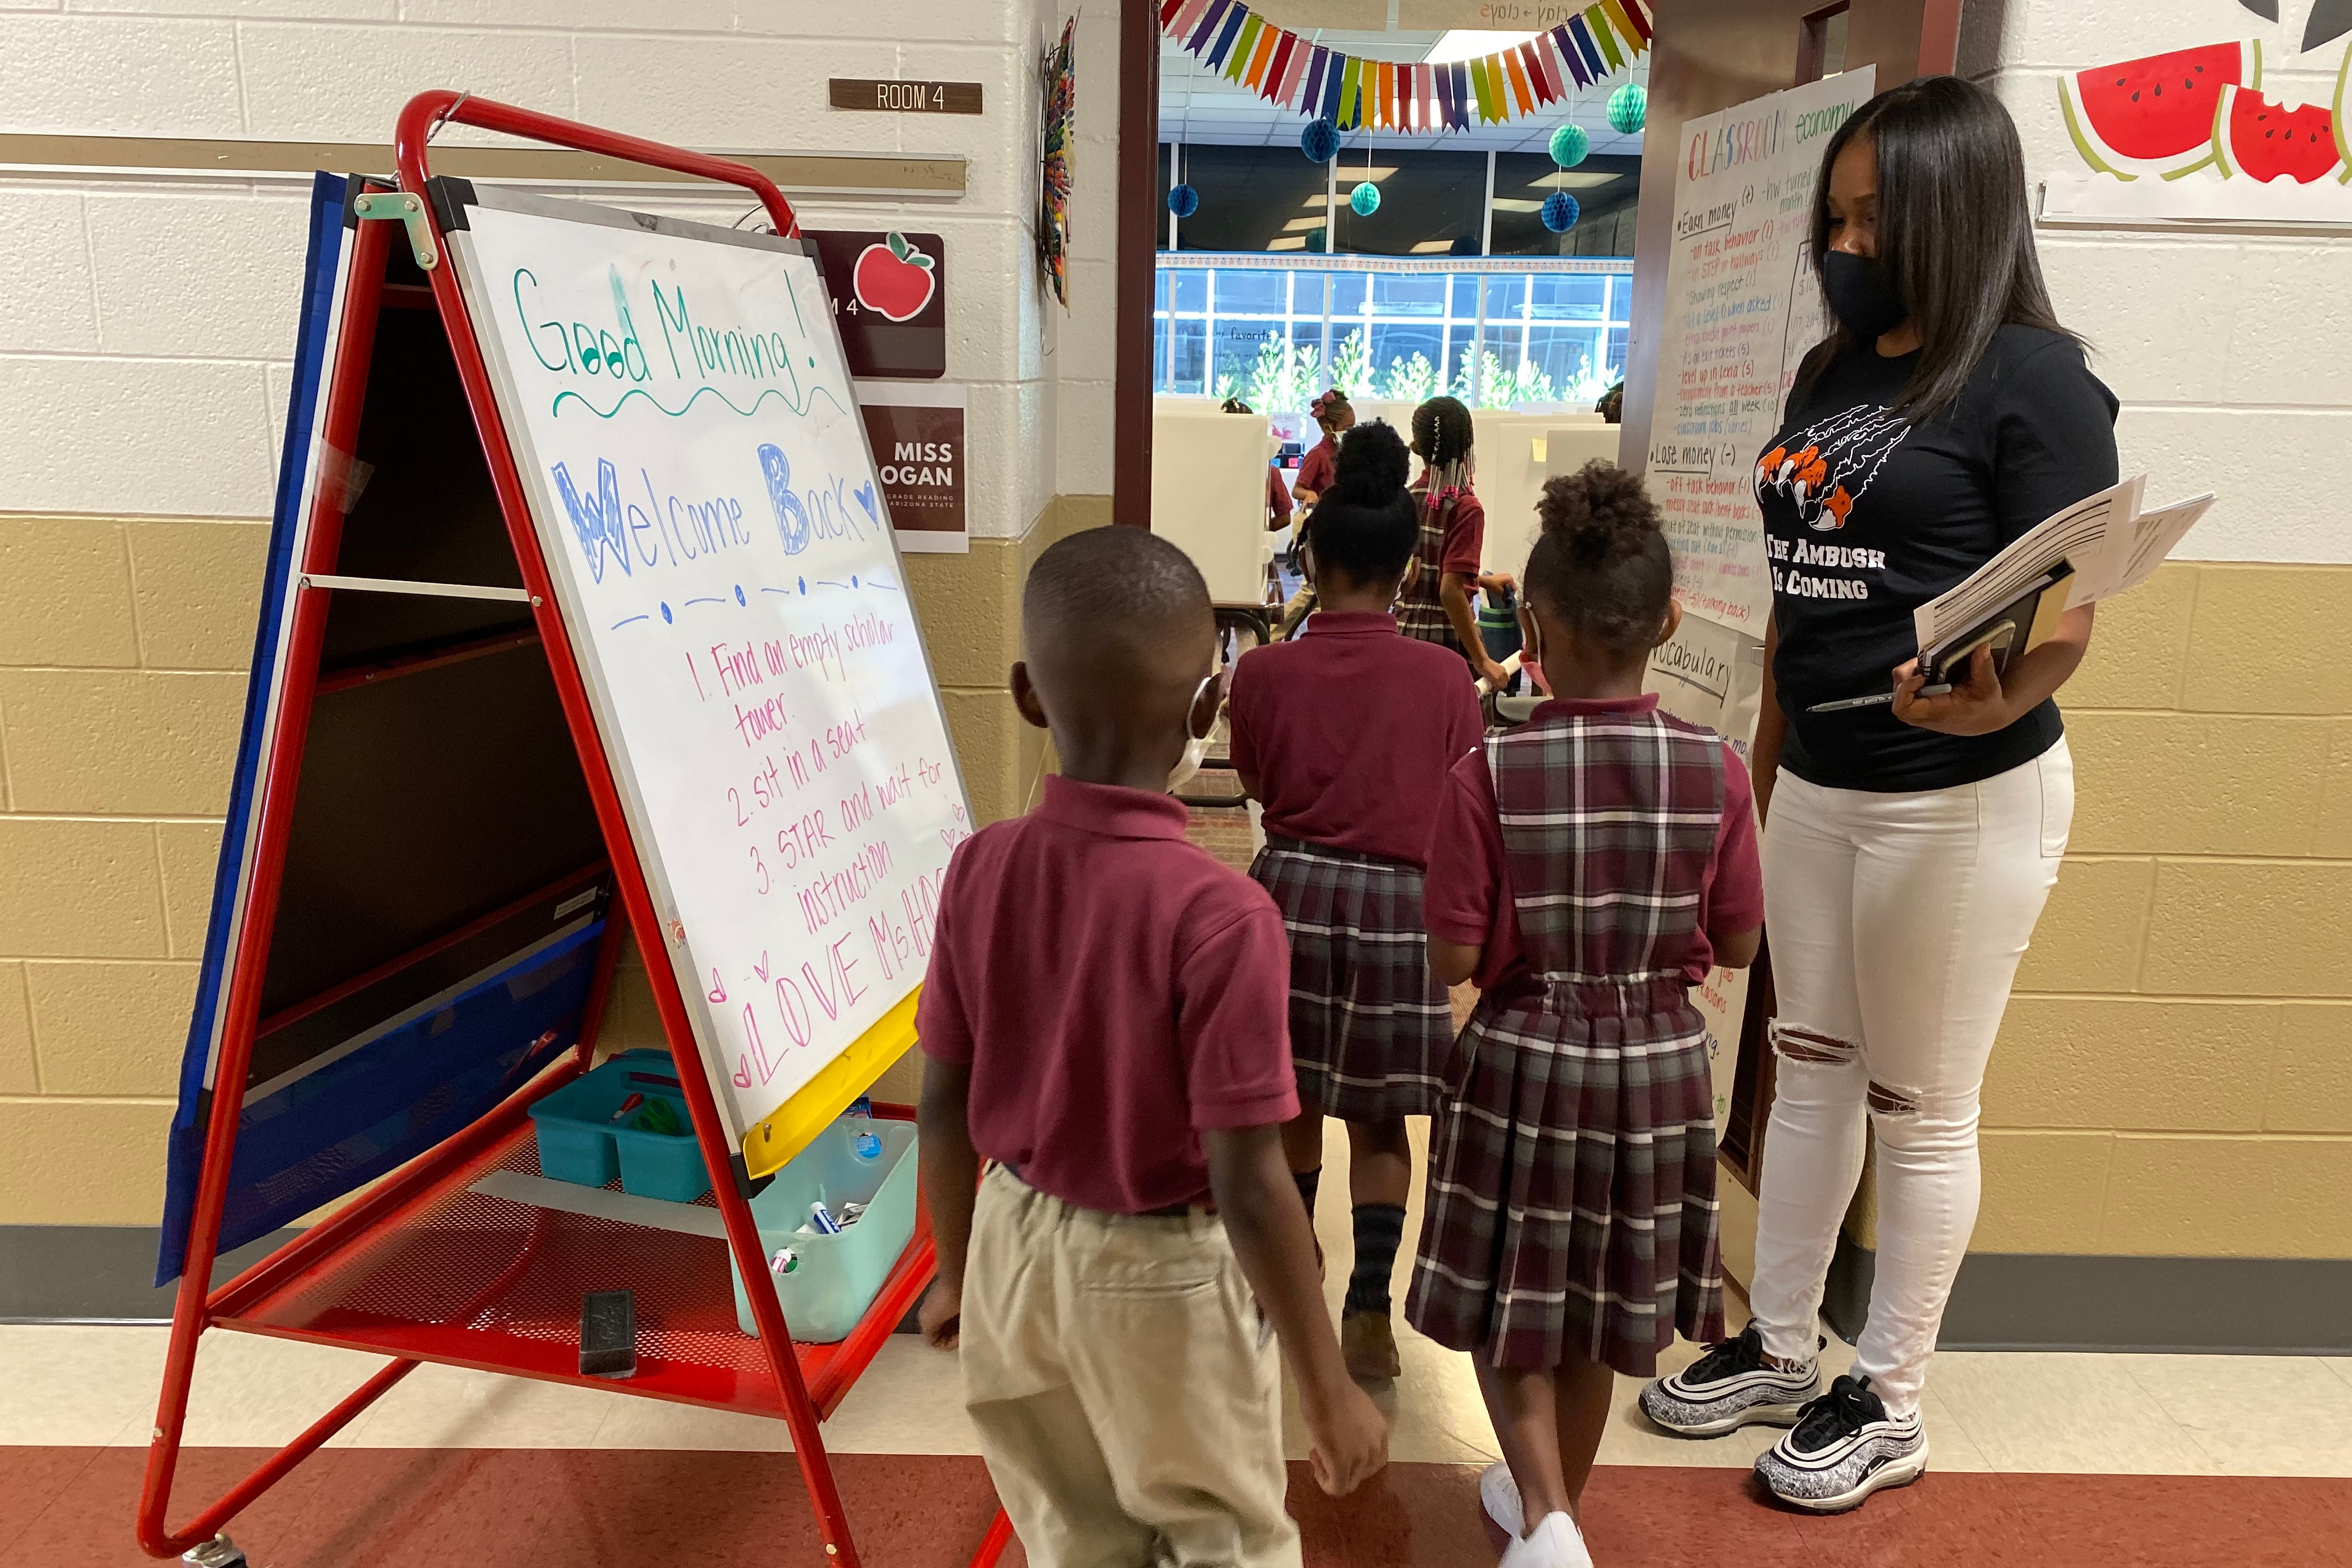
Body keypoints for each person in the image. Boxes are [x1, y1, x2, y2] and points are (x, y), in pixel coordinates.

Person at [1637, 76, 2112, 1514]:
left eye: (1871, 218)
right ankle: (1781, 1345)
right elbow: (1797, 597)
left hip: (1958, 797)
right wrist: (1770, 777)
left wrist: (2005, 690)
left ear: (1953, 217)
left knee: (1919, 1103)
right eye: (1832, 217)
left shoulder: (2036, 381)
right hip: (1823, 783)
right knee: (1811, 1064)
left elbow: (2077, 601)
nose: (1843, 243)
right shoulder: (1832, 373)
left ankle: (1891, 1398)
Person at [916, 526, 1387, 1567]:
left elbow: (943, 1101)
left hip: (1008, 1251)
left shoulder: (977, 868)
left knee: (1075, 1538)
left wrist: (954, 1268)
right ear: (1207, 711)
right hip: (1158, 1276)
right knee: (1222, 1537)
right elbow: (1250, 1177)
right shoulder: (1221, 915)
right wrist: (1324, 1382)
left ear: (1026, 694)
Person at [1409, 460, 1763, 1568]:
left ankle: (1546, 1515)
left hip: (1522, 1057)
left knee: (1509, 1291)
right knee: (1607, 1301)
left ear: (1537, 619)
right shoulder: (1720, 769)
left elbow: (1457, 953)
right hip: (1660, 1066)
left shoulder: (1489, 770)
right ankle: (1552, 1512)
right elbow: (1745, 942)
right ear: (1664, 619)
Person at [1226, 422, 1484, 1381]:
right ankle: (1369, 1311)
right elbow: (1459, 799)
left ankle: (1284, 1285)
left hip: (1288, 897)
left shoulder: (1262, 671)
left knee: (1287, 1105)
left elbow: (1251, 776)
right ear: (1404, 561)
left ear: (1313, 555)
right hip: (1398, 911)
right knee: (1380, 1122)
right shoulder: (1447, 676)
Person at [1396, 395, 1512, 688]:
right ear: (1467, 447)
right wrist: (1482, 660)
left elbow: (1423, 570)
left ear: (1417, 446)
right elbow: (1450, 591)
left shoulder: (1406, 499)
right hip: (1446, 638)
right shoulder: (1466, 508)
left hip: (1401, 631)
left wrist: (1483, 581)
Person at [1292, 388, 1354, 510]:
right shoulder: (1317, 455)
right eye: (1347, 428)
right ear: (1327, 428)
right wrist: (1309, 494)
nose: (1351, 432)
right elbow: (1297, 490)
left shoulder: (1349, 451)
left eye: (1353, 427)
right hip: (1324, 517)